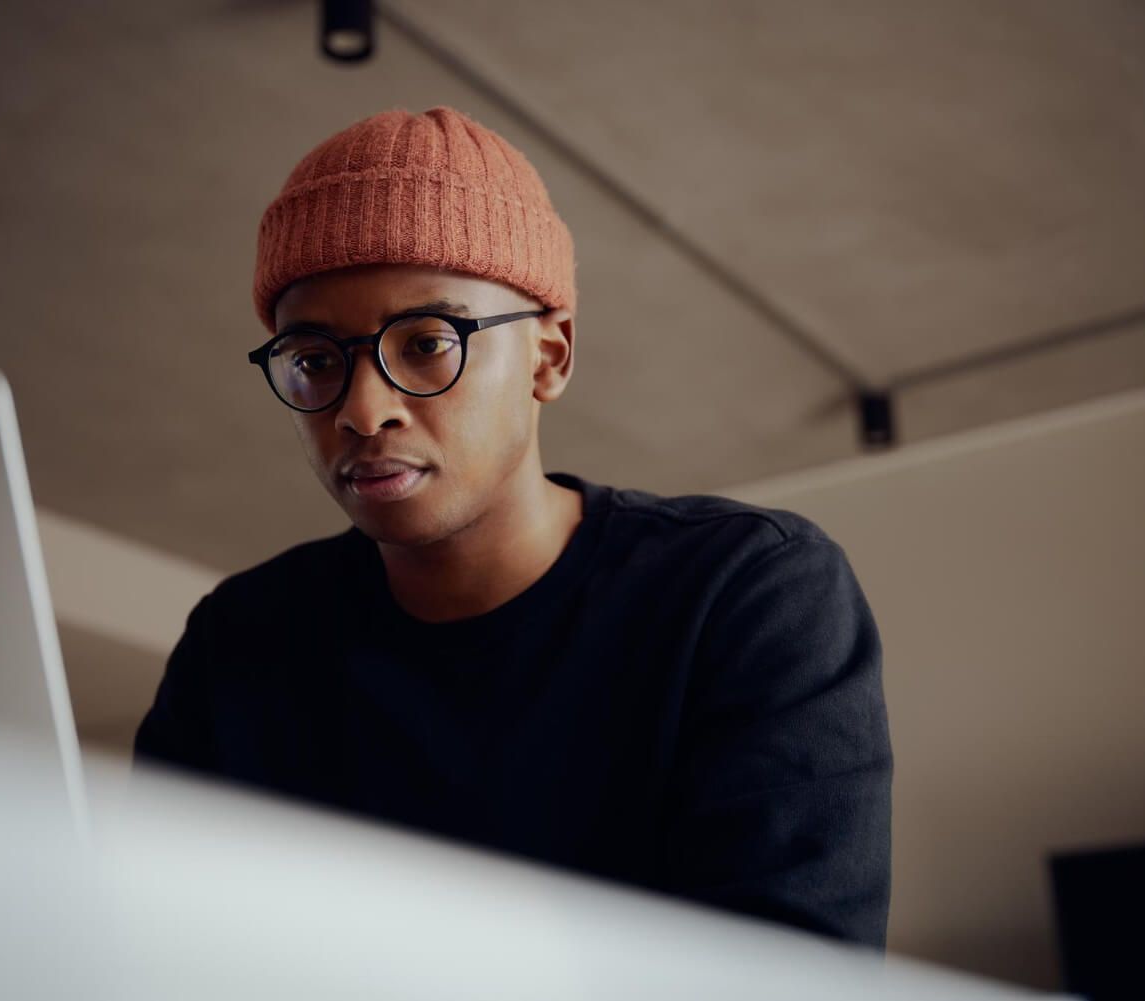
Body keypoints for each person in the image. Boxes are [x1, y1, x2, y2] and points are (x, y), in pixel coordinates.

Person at [133, 105, 892, 948]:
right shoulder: (240, 642)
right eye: (314, 361)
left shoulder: (744, 593)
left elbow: (792, 973)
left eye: (426, 342)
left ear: (549, 356)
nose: (361, 408)